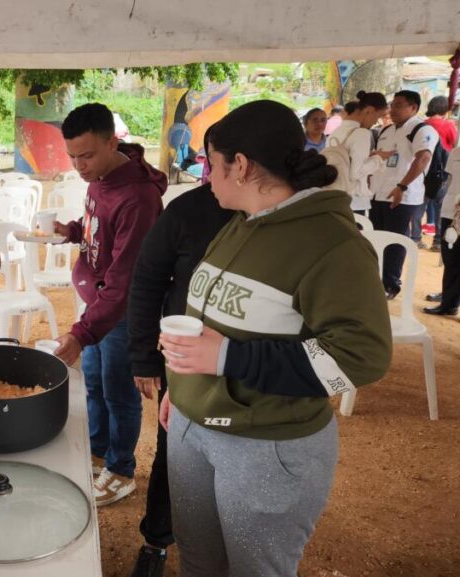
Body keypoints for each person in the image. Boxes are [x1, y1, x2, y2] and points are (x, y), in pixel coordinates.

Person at [158, 100, 392, 577]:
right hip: (193, 427)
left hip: (267, 446)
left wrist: (227, 358)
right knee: (199, 563)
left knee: (255, 570)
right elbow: (216, 317)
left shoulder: (333, 244)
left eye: (211, 163)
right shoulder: (241, 224)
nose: (207, 176)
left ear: (239, 165)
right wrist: (184, 394)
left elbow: (360, 356)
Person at [126, 127, 235, 577]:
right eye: (210, 161)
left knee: (234, 464)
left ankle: (231, 545)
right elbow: (148, 280)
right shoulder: (188, 210)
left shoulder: (282, 222)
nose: (212, 173)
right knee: (175, 455)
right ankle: (156, 540)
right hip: (186, 363)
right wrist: (144, 358)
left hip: (251, 374)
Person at [51, 103, 167, 506]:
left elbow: (125, 279)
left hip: (122, 311)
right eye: (72, 156)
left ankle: (121, 469)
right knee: (96, 382)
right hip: (97, 304)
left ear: (112, 142)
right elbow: (98, 230)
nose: (79, 166)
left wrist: (82, 333)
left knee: (120, 391)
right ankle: (97, 448)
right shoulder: (99, 178)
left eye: (87, 155)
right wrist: (70, 232)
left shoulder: (137, 197)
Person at [370, 90, 440, 296]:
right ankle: (375, 281)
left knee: (394, 240)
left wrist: (402, 186)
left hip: (403, 195)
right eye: (392, 105)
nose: (393, 110)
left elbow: (423, 158)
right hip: (378, 193)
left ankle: (390, 284)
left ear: (414, 108)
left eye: (399, 105)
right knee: (376, 238)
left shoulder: (421, 129)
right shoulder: (386, 130)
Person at [327, 91, 389, 215]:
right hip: (354, 200)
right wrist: (378, 158)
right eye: (377, 117)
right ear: (369, 111)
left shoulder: (335, 132)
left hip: (335, 196)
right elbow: (355, 172)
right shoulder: (362, 133)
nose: (375, 122)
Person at [424, 141, 460, 316]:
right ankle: (449, 302)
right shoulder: (455, 153)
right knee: (450, 258)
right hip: (450, 212)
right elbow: (450, 181)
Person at [424, 95, 457, 250]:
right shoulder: (448, 125)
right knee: (440, 205)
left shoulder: (423, 124)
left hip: (425, 169)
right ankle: (437, 240)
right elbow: (454, 142)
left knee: (423, 204)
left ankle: (416, 235)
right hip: (443, 170)